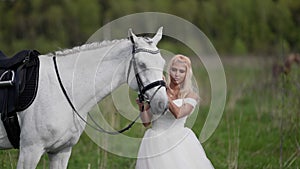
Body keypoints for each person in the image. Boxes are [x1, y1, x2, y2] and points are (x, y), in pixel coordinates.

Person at [135, 54, 214, 169]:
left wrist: (165, 93)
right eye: (174, 69)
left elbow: (178, 114)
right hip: (155, 140)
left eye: (181, 71)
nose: (177, 74)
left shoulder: (191, 95)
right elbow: (146, 122)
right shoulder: (158, 92)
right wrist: (141, 106)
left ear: (187, 74)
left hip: (178, 141)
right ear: (169, 70)